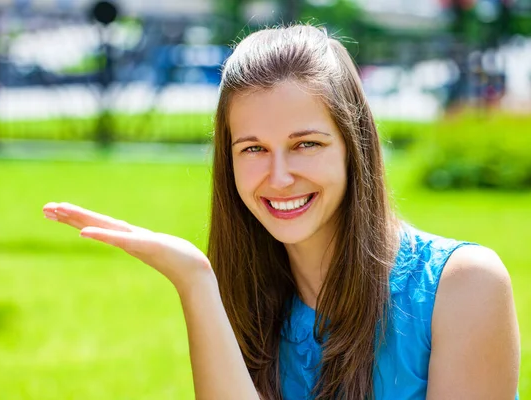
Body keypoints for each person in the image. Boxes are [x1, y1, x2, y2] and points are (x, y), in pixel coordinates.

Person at [42, 25, 520, 399]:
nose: (279, 176)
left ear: (353, 147)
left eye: (305, 144)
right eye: (252, 149)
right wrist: (195, 281)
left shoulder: (463, 287)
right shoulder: (246, 294)